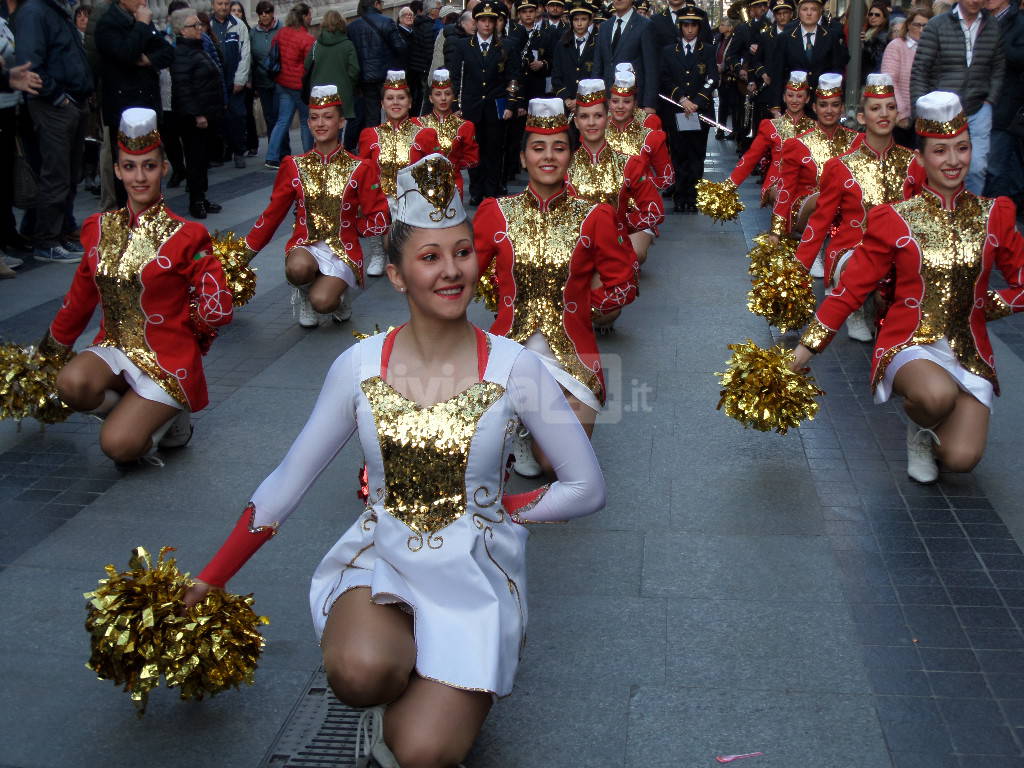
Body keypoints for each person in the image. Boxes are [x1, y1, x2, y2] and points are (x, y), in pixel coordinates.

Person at [184, 152, 605, 767]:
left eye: (462, 252)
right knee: (360, 673)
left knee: (424, 756)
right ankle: (396, 669)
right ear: (399, 275)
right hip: (381, 559)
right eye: (430, 257)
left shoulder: (518, 366)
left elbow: (586, 485)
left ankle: (437, 693)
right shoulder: (357, 366)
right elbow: (288, 481)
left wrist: (500, 512)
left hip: (474, 575)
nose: (452, 271)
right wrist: (210, 578)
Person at [791, 91, 1024, 484]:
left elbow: (1020, 286)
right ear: (921, 159)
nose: (952, 161)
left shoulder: (995, 214)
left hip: (970, 349)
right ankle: (922, 419)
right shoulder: (894, 220)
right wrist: (803, 351)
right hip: (910, 339)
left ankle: (930, 430)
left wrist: (985, 304)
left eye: (961, 148)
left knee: (961, 459)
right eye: (940, 151)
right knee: (935, 396)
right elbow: (848, 291)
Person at [39, 108, 233, 464]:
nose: (139, 177)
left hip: (168, 360)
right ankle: (138, 411)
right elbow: (79, 299)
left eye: (149, 166)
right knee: (70, 384)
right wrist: (47, 355)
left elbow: (217, 308)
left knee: (118, 447)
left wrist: (211, 292)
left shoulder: (188, 235)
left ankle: (171, 420)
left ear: (164, 168)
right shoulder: (98, 227)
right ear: (117, 170)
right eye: (129, 166)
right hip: (114, 349)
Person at [475, 98, 637, 475]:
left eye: (559, 147)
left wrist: (581, 303)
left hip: (573, 359)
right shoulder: (494, 212)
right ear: (522, 157)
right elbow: (464, 276)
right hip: (509, 353)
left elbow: (625, 280)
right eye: (538, 148)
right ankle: (519, 419)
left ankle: (531, 425)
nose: (548, 156)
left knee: (556, 466)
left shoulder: (595, 216)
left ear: (570, 156)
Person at [793, 73, 924, 339]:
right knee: (870, 270)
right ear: (863, 117)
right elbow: (819, 223)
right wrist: (795, 271)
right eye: (876, 108)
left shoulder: (914, 163)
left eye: (890, 107)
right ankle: (855, 308)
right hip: (852, 250)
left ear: (898, 114)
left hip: (900, 251)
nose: (884, 114)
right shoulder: (839, 166)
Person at [248, 85, 389, 329]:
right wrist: (244, 253)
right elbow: (272, 215)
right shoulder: (294, 165)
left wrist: (352, 227)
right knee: (298, 269)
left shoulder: (360, 167)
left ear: (341, 122)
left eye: (328, 117)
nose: (320, 123)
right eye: (314, 117)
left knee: (322, 303)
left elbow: (378, 215)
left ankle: (335, 297)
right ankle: (304, 293)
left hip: (342, 249)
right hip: (305, 245)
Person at [15, 0, 95, 264]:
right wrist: (58, 97)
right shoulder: (35, 11)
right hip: (54, 105)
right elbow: (30, 64)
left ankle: (57, 233)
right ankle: (46, 240)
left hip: (70, 102)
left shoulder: (54, 11)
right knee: (56, 172)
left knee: (69, 173)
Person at [909, 0, 1004, 194]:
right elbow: (920, 70)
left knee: (977, 168)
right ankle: (937, 214)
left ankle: (969, 219)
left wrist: (990, 99)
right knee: (937, 169)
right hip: (940, 112)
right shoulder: (937, 25)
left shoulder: (993, 26)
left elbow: (998, 66)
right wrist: (921, 110)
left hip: (978, 108)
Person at [568, 79, 662, 268]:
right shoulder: (563, 166)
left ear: (607, 118)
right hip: (577, 236)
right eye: (585, 117)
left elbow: (654, 210)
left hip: (621, 231)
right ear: (576, 121)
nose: (592, 123)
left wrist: (619, 226)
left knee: (629, 258)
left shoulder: (630, 164)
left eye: (598, 116)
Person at [358, 70, 440, 277]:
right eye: (390, 98)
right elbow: (364, 172)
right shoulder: (370, 135)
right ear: (382, 103)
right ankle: (377, 253)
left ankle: (406, 252)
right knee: (366, 199)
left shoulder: (425, 134)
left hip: (412, 201)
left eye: (401, 98)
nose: (396, 103)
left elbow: (433, 173)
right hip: (379, 199)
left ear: (410, 103)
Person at [769, 73, 860, 244]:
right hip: (806, 206)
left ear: (843, 109)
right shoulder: (797, 144)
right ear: (815, 107)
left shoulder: (857, 141)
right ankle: (813, 244)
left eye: (835, 105)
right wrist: (776, 229)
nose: (829, 110)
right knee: (822, 197)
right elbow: (786, 188)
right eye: (823, 105)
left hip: (845, 207)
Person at [448, 1, 520, 206]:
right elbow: (455, 77)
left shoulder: (506, 46)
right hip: (471, 106)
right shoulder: (463, 46)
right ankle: (476, 190)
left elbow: (513, 78)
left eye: (491, 20)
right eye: (482, 21)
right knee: (473, 150)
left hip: (496, 106)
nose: (487, 25)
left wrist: (510, 105)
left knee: (494, 150)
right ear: (476, 23)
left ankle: (492, 190)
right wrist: (455, 105)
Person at [717, 70, 816, 210]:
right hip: (777, 185)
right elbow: (750, 158)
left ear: (807, 99)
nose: (794, 100)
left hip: (807, 186)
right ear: (784, 98)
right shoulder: (770, 126)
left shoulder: (815, 128)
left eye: (799, 96)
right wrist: (727, 188)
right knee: (786, 198)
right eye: (790, 95)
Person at [658, 8, 717, 214]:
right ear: (680, 27)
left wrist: (697, 101)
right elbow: (665, 78)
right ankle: (680, 195)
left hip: (699, 112)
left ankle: (693, 196)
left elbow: (712, 78)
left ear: (699, 28)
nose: (689, 29)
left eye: (693, 25)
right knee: (679, 153)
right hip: (677, 110)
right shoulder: (668, 51)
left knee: (697, 154)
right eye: (686, 25)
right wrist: (682, 98)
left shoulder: (708, 50)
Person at [171, 8, 226, 219]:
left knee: (203, 159)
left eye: (199, 25)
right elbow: (184, 89)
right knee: (195, 158)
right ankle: (195, 200)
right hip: (193, 118)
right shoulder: (182, 53)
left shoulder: (199, 47)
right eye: (194, 26)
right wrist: (197, 115)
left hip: (208, 112)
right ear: (182, 30)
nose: (199, 29)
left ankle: (201, 196)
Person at [347, 0, 409, 152]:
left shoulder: (353, 27)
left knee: (371, 116)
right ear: (376, 3)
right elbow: (400, 47)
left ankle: (371, 149)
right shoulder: (386, 22)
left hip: (365, 77)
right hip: (385, 75)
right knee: (394, 111)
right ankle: (394, 149)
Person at [769, 0, 850, 113]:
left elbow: (837, 71)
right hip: (794, 103)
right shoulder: (785, 38)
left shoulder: (830, 37)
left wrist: (839, 102)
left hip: (822, 104)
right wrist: (775, 106)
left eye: (813, 9)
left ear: (820, 12)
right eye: (805, 9)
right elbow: (778, 73)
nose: (809, 13)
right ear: (798, 12)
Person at [264, 2, 315, 170]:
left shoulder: (281, 33)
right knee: (305, 121)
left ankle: (271, 156)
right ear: (304, 17)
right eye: (309, 14)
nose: (311, 17)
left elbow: (274, 52)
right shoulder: (307, 39)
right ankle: (308, 155)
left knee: (282, 120)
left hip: (282, 82)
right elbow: (310, 64)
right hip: (299, 85)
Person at [604, 67, 673, 191]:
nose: (620, 106)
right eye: (615, 101)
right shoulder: (597, 127)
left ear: (635, 103)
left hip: (641, 204)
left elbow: (667, 178)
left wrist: (638, 181)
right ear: (609, 103)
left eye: (626, 102)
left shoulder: (649, 124)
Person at [414, 68, 479, 196]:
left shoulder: (465, 126)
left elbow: (472, 159)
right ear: (431, 98)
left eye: (447, 94)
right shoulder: (417, 124)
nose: (443, 98)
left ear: (453, 97)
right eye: (438, 94)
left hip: (453, 184)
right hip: (422, 185)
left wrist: (453, 165)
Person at [983, 0, 1024, 203]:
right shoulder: (974, 19)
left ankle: (991, 222)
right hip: (971, 106)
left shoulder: (1020, 22)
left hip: (1003, 111)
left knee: (994, 169)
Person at [591, 0, 658, 110]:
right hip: (607, 100)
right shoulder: (604, 26)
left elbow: (651, 69)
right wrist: (594, 99)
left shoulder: (645, 25)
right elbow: (598, 67)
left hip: (633, 101)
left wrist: (649, 104)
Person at [881, 6, 932, 148]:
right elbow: (889, 80)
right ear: (909, 25)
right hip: (903, 118)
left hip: (927, 116)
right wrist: (902, 112)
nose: (921, 29)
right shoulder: (896, 46)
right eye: (917, 25)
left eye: (925, 26)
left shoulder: (933, 48)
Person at [209, 0, 251, 168]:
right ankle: (220, 153)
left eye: (226, 3)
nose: (223, 7)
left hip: (234, 81)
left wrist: (240, 79)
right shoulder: (208, 25)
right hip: (215, 82)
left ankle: (239, 152)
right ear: (213, 5)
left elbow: (245, 54)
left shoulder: (238, 25)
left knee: (238, 117)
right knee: (218, 120)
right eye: (220, 3)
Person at [305, 9, 359, 129]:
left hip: (319, 93)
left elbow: (307, 65)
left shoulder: (316, 45)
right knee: (337, 126)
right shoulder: (347, 45)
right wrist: (348, 84)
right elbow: (354, 70)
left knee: (321, 127)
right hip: (341, 93)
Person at [250, 0, 287, 157]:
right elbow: (250, 57)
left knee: (281, 116)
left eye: (267, 12)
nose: (264, 15)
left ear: (273, 13)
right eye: (261, 13)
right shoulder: (253, 33)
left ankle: (284, 150)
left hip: (280, 79)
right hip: (263, 80)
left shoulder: (282, 28)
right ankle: (274, 151)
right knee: (270, 117)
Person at [551, 0, 598, 111]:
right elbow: (556, 76)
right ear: (571, 21)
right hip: (566, 105)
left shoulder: (597, 44)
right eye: (576, 19)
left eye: (583, 19)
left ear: (590, 20)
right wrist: (567, 99)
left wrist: (581, 100)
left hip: (590, 104)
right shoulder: (562, 44)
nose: (579, 23)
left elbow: (599, 77)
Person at [408, 0, 441, 114]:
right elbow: (429, 49)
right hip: (423, 67)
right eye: (438, 9)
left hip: (417, 65)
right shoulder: (428, 26)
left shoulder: (420, 23)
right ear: (432, 11)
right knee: (423, 96)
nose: (439, 11)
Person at [860, 2, 890, 81]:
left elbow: (876, 58)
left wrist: (865, 44)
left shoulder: (883, 35)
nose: (873, 17)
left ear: (884, 18)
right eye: (870, 14)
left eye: (877, 15)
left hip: (875, 78)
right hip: (865, 76)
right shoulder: (868, 32)